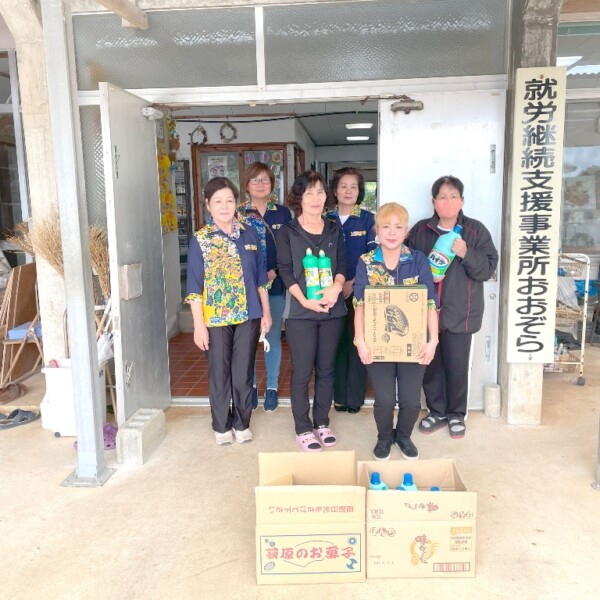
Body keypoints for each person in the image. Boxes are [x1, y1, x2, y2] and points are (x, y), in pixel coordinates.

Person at [406, 175, 498, 439]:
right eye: (442, 197)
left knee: (457, 367)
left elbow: (487, 269)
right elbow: (406, 265)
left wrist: (466, 252)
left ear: (462, 201)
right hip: (426, 313)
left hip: (461, 313)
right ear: (433, 202)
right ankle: (436, 411)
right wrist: (425, 275)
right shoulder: (420, 231)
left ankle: (457, 414)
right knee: (430, 366)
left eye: (453, 196)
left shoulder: (475, 231)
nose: (448, 202)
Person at [186, 177, 271, 446]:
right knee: (220, 373)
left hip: (249, 314)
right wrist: (199, 325)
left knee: (243, 372)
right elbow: (194, 288)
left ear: (237, 203)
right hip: (215, 319)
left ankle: (241, 423)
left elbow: (261, 279)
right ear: (208, 205)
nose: (224, 206)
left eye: (229, 200)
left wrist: (266, 313)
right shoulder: (201, 240)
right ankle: (221, 425)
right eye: (218, 201)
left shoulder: (250, 233)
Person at [354, 202, 439, 461]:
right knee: (385, 400)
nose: (392, 232)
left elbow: (430, 302)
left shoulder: (417, 259)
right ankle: (384, 438)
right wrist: (360, 341)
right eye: (386, 226)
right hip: (378, 343)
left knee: (411, 400)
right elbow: (360, 304)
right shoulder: (366, 262)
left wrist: (433, 340)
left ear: (406, 231)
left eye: (398, 227)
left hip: (414, 342)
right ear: (377, 230)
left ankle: (403, 436)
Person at [276, 171, 347, 452]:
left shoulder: (333, 229)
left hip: (332, 311)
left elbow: (342, 263)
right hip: (300, 314)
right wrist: (304, 301)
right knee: (302, 371)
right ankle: (303, 427)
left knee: (327, 370)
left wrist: (336, 288)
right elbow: (285, 270)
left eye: (320, 192)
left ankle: (322, 422)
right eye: (309, 193)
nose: (315, 198)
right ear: (299, 198)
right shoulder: (287, 232)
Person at [239, 162, 292, 413]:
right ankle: (250, 386)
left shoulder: (282, 214)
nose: (260, 184)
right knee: (248, 339)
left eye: (265, 180)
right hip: (246, 287)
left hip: (275, 283)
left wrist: (276, 271)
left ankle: (271, 387)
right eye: (255, 180)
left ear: (272, 184)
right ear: (246, 185)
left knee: (272, 336)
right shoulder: (238, 213)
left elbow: (289, 249)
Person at [327, 167, 376, 414]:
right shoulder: (325, 218)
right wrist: (336, 285)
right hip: (330, 293)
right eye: (343, 186)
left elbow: (373, 257)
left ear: (360, 191)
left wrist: (352, 283)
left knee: (358, 342)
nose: (348, 191)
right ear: (335, 191)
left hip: (359, 291)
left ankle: (355, 398)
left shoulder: (368, 220)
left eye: (353, 187)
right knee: (335, 344)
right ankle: (339, 397)